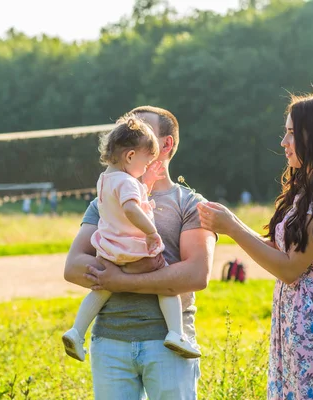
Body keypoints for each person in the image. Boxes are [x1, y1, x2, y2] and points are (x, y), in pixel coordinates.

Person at [198, 93, 313, 399]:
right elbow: (282, 251)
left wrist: (233, 227)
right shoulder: (308, 189)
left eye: (291, 133)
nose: (283, 142)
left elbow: (291, 268)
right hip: (296, 313)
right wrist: (224, 225)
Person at [64, 106, 216, 399]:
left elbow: (196, 274)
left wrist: (118, 280)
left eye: (142, 131)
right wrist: (155, 276)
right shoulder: (104, 200)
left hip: (168, 346)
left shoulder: (191, 204)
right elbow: (73, 267)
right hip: (110, 342)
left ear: (165, 144)